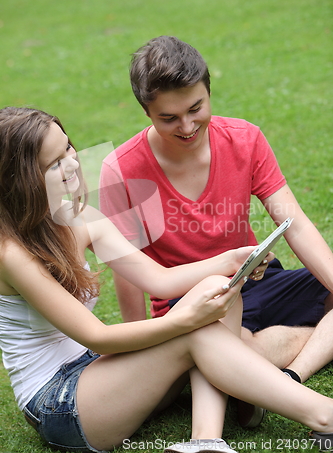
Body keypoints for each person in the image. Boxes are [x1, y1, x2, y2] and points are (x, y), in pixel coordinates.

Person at [4, 106, 331, 453]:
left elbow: (158, 280)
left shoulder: (78, 216)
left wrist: (229, 261)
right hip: (61, 402)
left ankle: (206, 441)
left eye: (68, 148)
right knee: (196, 331)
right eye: (54, 163)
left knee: (218, 288)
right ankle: (324, 415)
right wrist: (183, 321)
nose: (71, 163)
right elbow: (97, 337)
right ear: (21, 178)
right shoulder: (10, 253)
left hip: (98, 372)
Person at [99, 36, 333, 431]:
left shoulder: (245, 138)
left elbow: (295, 224)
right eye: (168, 118)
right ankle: (247, 367)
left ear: (208, 90)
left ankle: (287, 377)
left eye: (196, 108)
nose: (187, 126)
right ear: (147, 111)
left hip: (258, 279)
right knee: (224, 346)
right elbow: (125, 270)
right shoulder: (117, 168)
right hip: (188, 306)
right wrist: (135, 346)